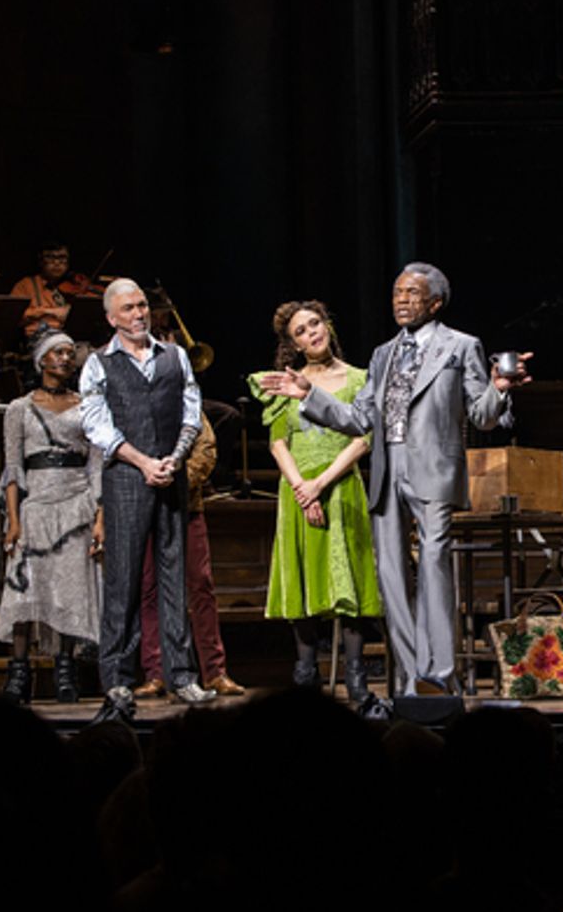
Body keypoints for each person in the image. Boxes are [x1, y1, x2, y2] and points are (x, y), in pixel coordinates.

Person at [259, 263, 530, 696]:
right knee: (391, 577)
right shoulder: (383, 354)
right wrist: (310, 395)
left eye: (412, 293)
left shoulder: (460, 346)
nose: (401, 300)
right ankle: (410, 679)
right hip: (388, 471)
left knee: (434, 564)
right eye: (397, 292)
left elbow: (481, 415)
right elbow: (358, 418)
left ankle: (439, 674)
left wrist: (498, 388)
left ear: (435, 303)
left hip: (434, 469)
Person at [79, 278, 214, 723]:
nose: (138, 314)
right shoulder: (99, 363)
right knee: (123, 579)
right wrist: (142, 462)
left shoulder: (174, 355)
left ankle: (182, 675)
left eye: (141, 306)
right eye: (129, 308)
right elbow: (96, 425)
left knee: (175, 577)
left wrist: (175, 457)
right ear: (111, 318)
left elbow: (191, 411)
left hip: (170, 474)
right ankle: (117, 677)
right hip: (126, 476)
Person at [247, 300, 383, 702]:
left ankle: (356, 679)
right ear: (295, 345)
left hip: (341, 487)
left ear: (328, 325)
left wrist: (321, 484)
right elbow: (278, 443)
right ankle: (306, 675)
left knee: (350, 581)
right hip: (297, 492)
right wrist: (303, 490)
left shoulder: (359, 378)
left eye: (315, 323)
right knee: (303, 578)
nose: (312, 333)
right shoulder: (286, 383)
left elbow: (364, 439)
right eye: (301, 332)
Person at [0, 331, 104, 704]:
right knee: (24, 590)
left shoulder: (87, 406)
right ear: (41, 359)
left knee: (69, 590)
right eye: (57, 352)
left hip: (76, 502)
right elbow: (13, 468)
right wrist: (13, 520)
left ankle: (65, 670)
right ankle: (18, 672)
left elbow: (96, 465)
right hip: (36, 505)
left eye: (70, 353)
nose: (65, 358)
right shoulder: (19, 408)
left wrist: (100, 517)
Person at [134, 417, 247, 699]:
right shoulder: (135, 404)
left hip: (186, 506)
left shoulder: (187, 404)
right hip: (145, 505)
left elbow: (206, 448)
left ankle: (214, 671)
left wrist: (177, 480)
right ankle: (156, 673)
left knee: (200, 586)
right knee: (149, 588)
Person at [9, 241, 103, 338]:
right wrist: (50, 311)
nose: (57, 263)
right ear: (41, 261)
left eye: (62, 258)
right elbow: (12, 316)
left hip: (76, 338)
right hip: (42, 338)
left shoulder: (76, 283)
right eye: (50, 257)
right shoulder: (26, 285)